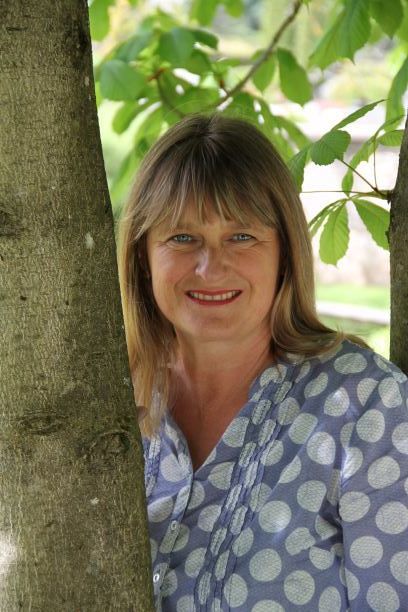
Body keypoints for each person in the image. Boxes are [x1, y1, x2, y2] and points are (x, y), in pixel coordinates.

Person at [117, 114, 408, 611]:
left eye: (242, 236)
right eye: (182, 237)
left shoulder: (366, 408)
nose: (210, 266)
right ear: (144, 257)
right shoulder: (103, 406)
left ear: (285, 253)